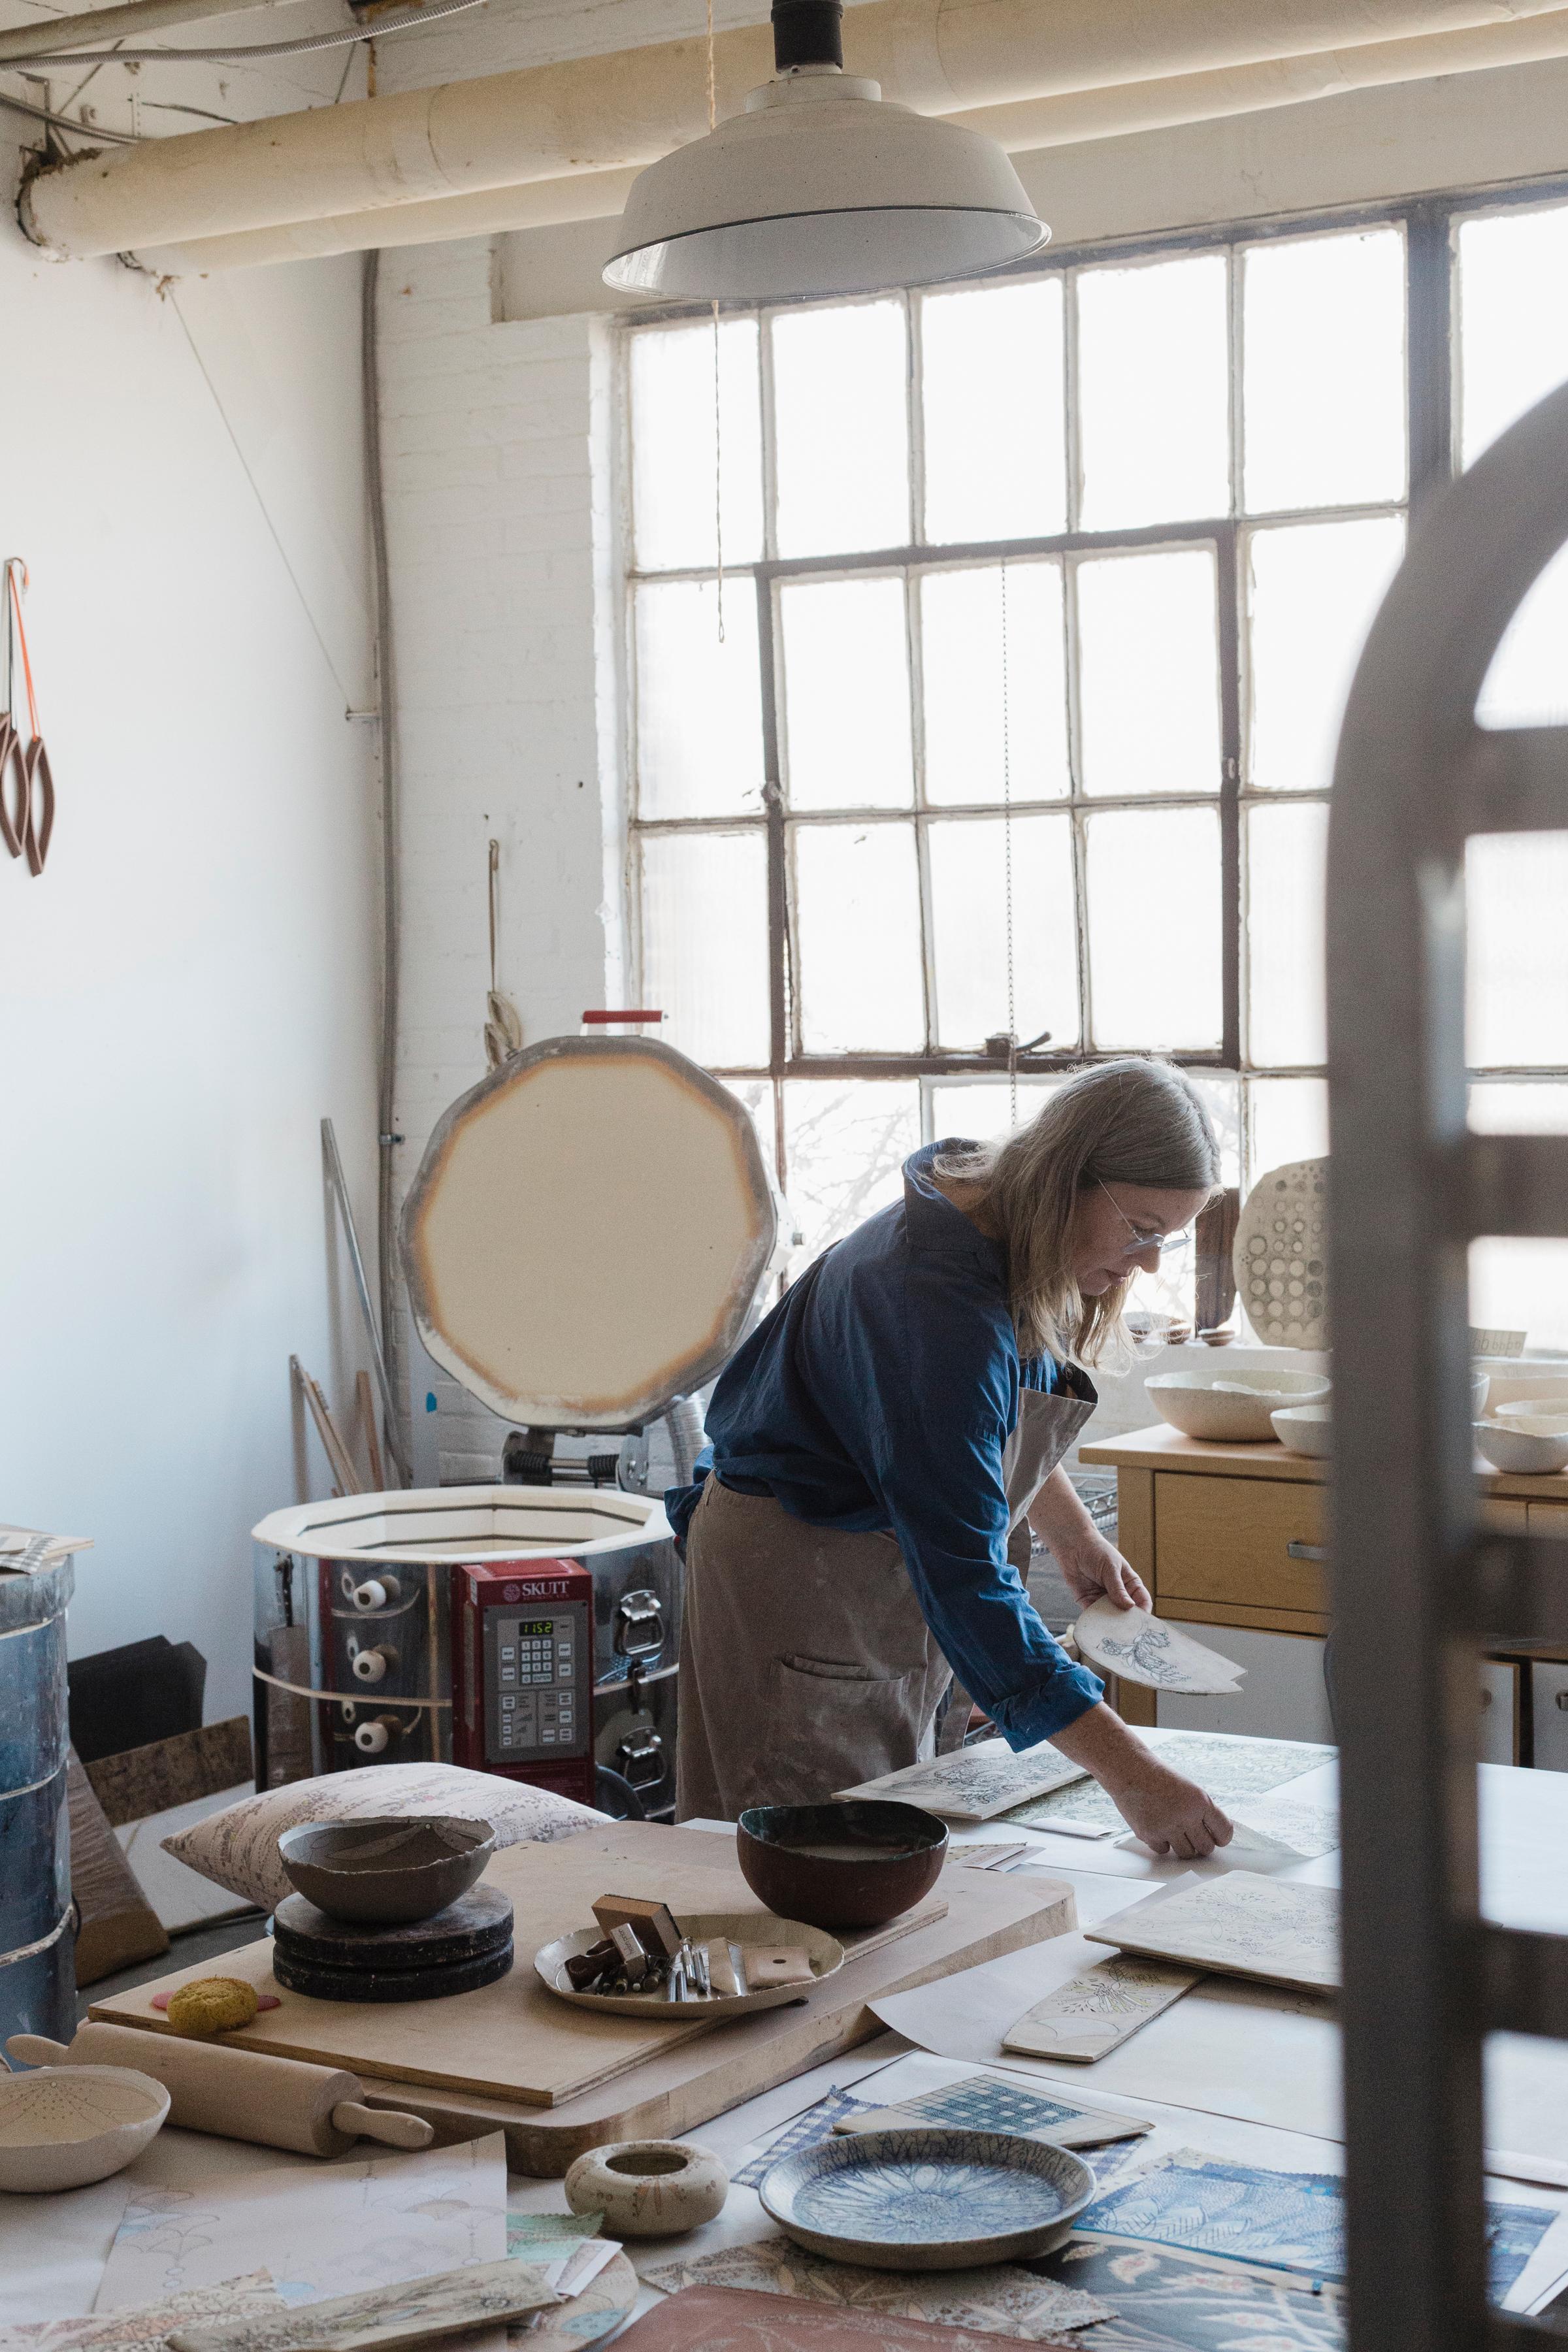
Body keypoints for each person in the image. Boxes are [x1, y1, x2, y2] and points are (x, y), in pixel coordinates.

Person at [669, 1056, 1234, 1860]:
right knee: (818, 1863)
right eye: (1141, 1229)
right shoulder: (931, 1305)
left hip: (879, 1563)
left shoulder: (1004, 1228)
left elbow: (987, 1421)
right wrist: (1132, 1772)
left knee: (892, 1834)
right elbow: (966, 1574)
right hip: (804, 1577)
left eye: (1166, 1242)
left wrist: (1074, 1537)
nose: (1146, 1263)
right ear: (1067, 1177)